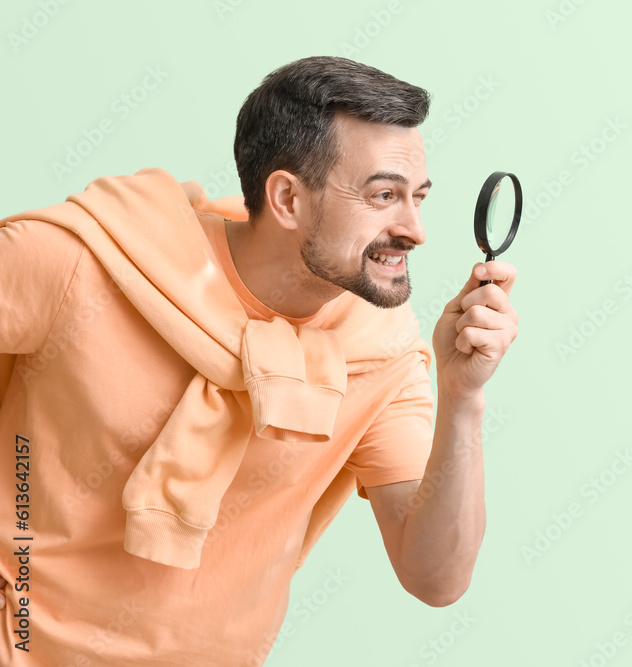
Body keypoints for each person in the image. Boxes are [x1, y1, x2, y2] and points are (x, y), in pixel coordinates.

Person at [0, 55, 518, 665]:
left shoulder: (379, 351)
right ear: (287, 199)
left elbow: (436, 578)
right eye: (384, 195)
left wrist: (464, 397)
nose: (415, 229)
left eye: (418, 198)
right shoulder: (80, 262)